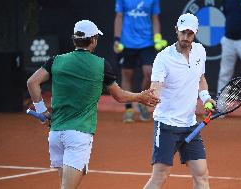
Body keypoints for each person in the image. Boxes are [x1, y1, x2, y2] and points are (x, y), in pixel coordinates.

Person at [27, 20, 159, 189]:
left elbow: (32, 82)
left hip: (55, 135)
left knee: (67, 184)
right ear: (94, 39)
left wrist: (42, 111)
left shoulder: (56, 61)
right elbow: (120, 96)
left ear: (74, 39)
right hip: (79, 135)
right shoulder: (101, 65)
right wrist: (141, 97)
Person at [143, 13, 215, 189]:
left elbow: (201, 78)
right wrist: (153, 96)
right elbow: (156, 85)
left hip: (190, 125)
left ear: (195, 33)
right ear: (176, 31)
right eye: (182, 32)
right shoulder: (163, 58)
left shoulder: (200, 51)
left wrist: (205, 98)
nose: (185, 37)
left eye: (189, 33)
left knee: (202, 175)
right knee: (160, 175)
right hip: (167, 124)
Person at [113, 0, 167, 123]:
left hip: (147, 43)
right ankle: (129, 110)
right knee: (128, 76)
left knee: (149, 73)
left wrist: (157, 37)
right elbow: (119, 17)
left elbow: (155, 18)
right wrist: (117, 39)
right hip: (127, 43)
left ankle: (142, 102)